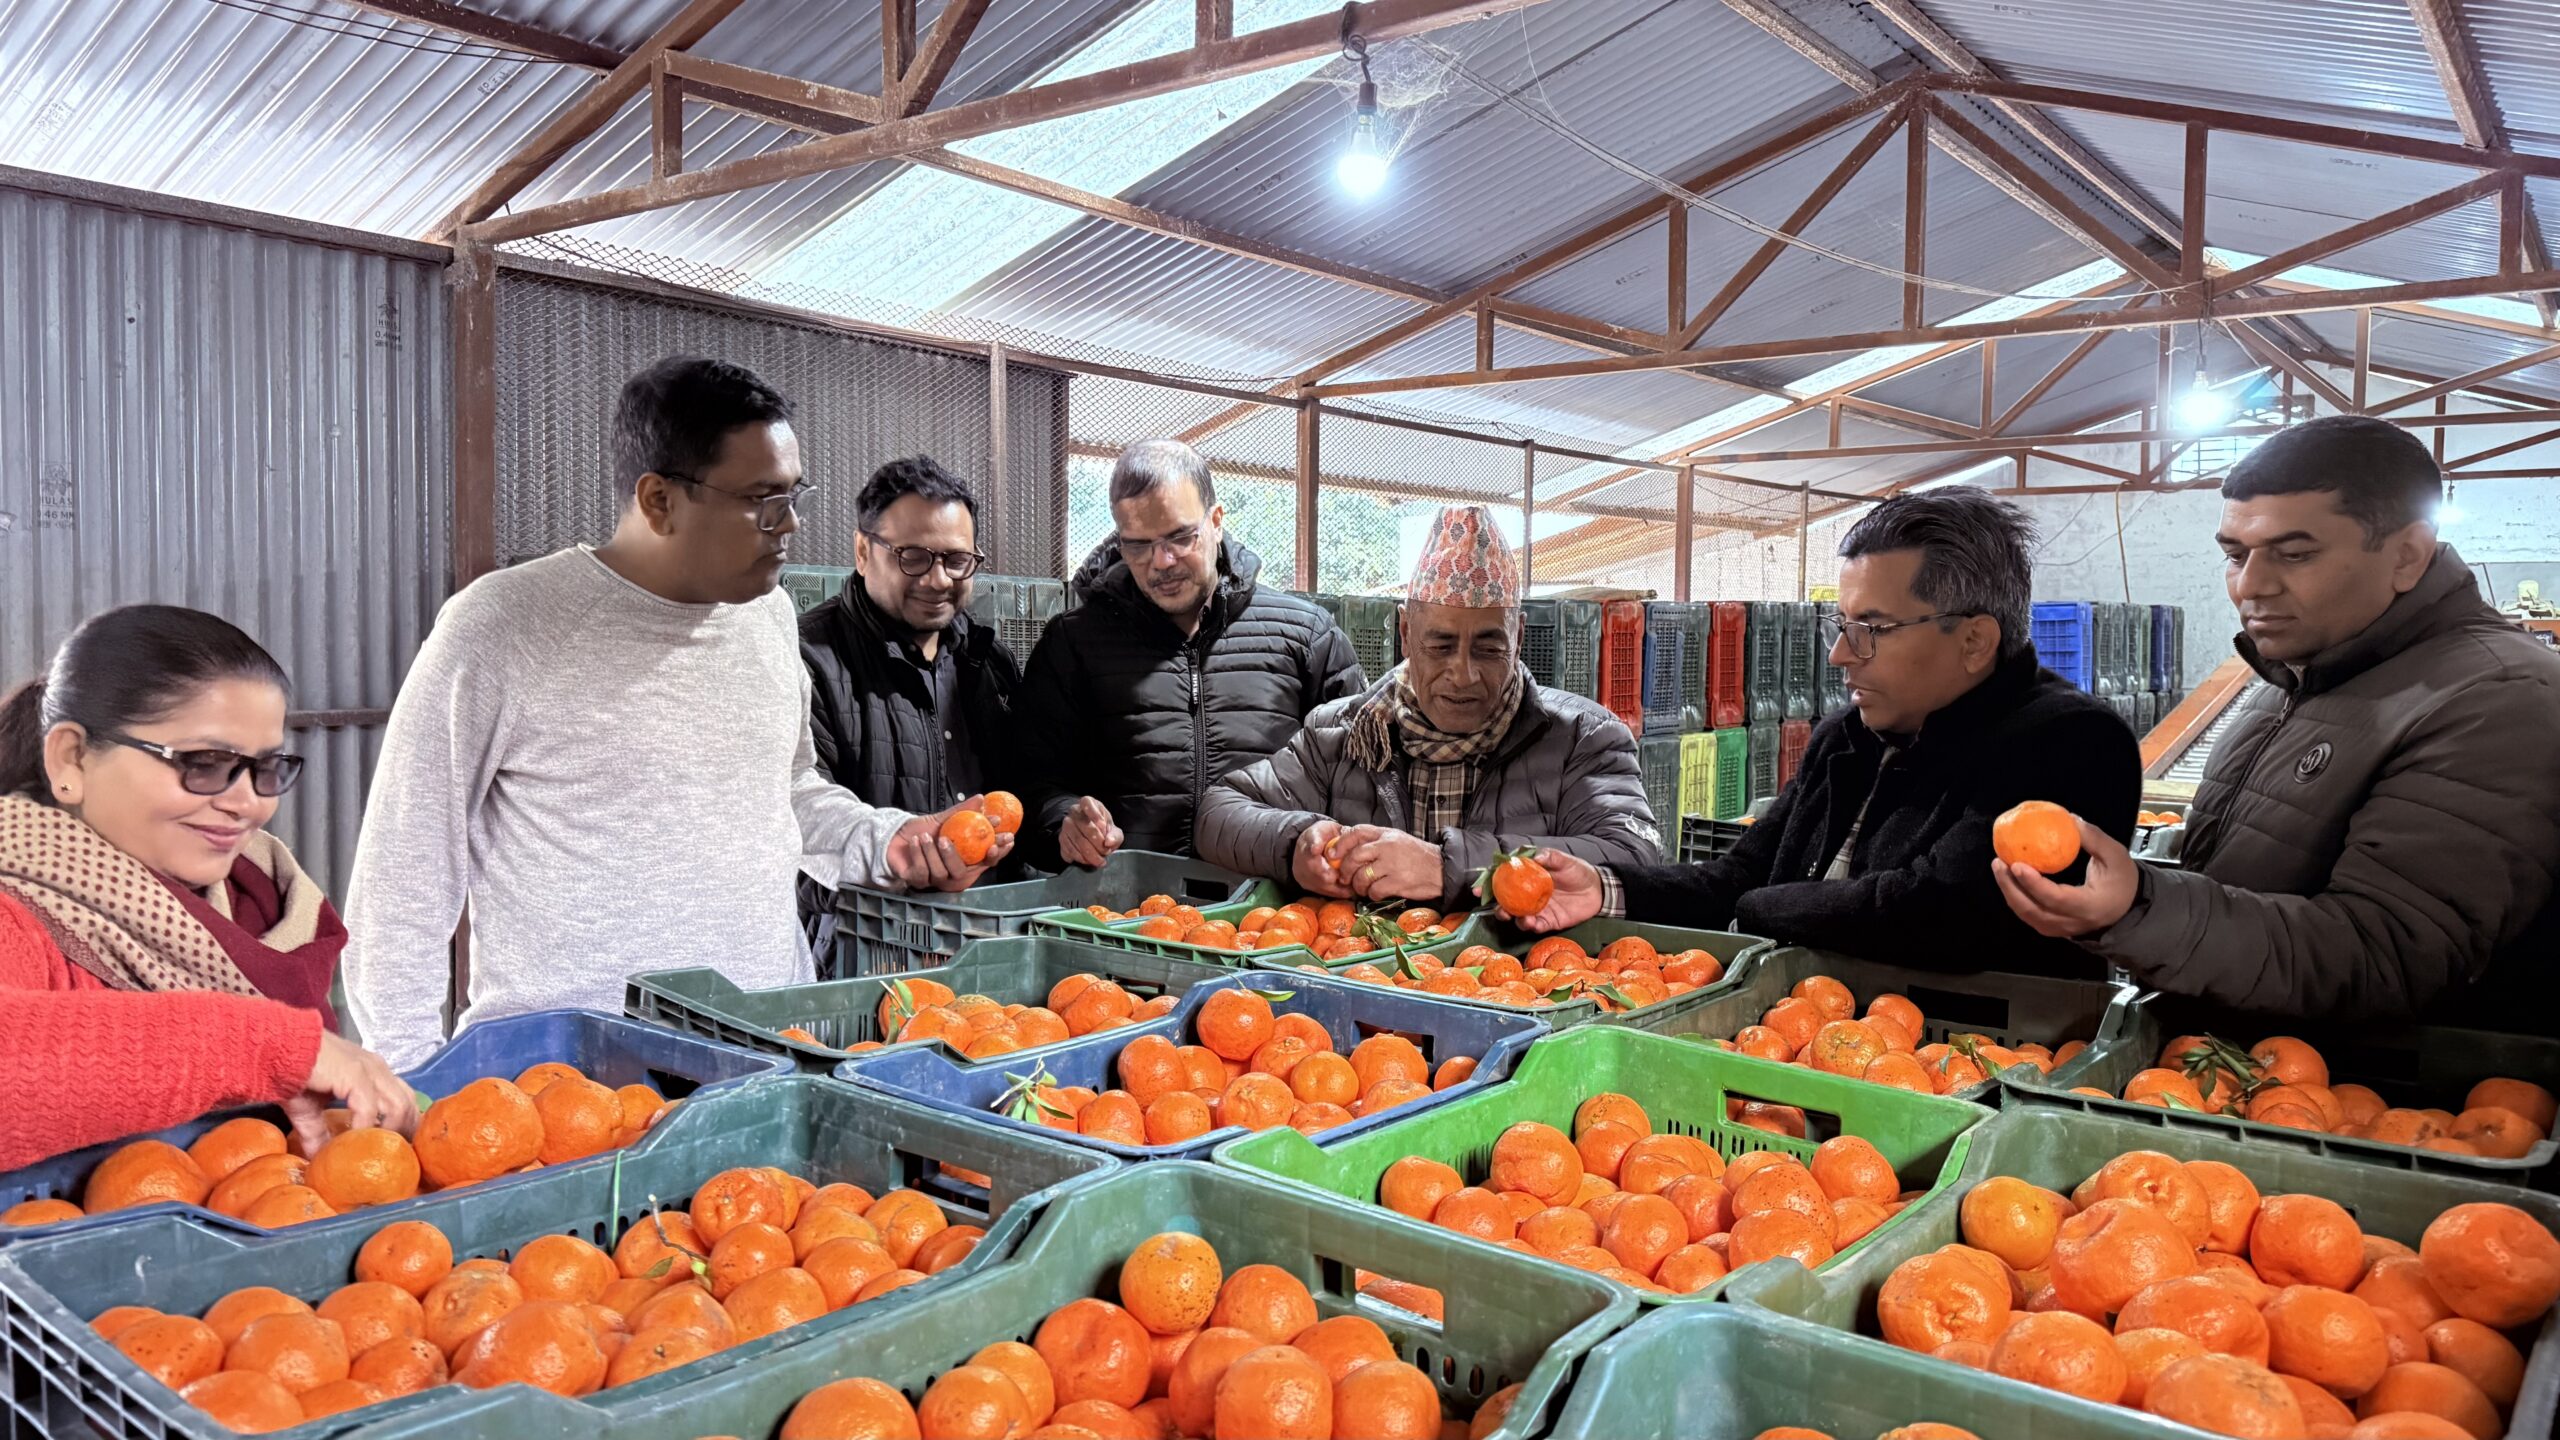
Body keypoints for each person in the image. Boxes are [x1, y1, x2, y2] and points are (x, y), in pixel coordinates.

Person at [344, 358, 1009, 1068]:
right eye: (762, 501)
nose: (790, 525)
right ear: (658, 500)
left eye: (793, 494)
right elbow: (404, 875)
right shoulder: (506, 625)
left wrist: (890, 841)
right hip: (575, 1080)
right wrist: (407, 1079)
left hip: (768, 1047)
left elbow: (786, 792)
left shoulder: (768, 617)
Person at [1997, 415, 2560, 1021]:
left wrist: (2141, 907)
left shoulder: (2499, 698)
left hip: (2358, 1102)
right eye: (2236, 555)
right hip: (2230, 1070)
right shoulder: (2297, 674)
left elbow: (2384, 951)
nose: (2251, 586)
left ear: (2407, 556)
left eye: (2294, 554)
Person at [1519, 489, 2140, 973]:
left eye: (1872, 627)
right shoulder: (1849, 735)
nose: (1841, 653)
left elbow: (1937, 912)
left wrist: (1759, 910)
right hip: (1802, 1036)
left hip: (1965, 1064)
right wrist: (1606, 888)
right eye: (1840, 625)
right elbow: (1740, 874)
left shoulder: (2073, 743)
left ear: (1974, 640)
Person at [0, 606, 414, 1168]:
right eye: (203, 762)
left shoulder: (266, 902)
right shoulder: (16, 914)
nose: (248, 803)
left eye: (267, 768)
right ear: (71, 757)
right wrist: (274, 1047)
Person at [1198, 504, 1657, 910]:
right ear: (1405, 631)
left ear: (1517, 636)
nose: (1463, 674)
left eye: (1488, 647)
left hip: (1517, 989)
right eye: (1439, 645)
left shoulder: (1582, 737)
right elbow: (1218, 813)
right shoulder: (1341, 734)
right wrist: (1295, 844)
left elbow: (1634, 856)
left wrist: (1446, 867)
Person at [1013, 439, 1364, 869]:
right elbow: (1030, 782)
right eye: (1139, 545)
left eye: (1180, 537)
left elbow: (1360, 774)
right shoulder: (1074, 644)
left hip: (1275, 912)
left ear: (1216, 521)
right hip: (1127, 915)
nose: (1162, 561)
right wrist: (1064, 822)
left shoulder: (1306, 635)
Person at [801, 455, 1021, 821]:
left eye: (956, 559)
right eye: (913, 557)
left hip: (1000, 881)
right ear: (862, 552)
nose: (938, 581)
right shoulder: (810, 665)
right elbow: (808, 837)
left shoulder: (991, 661)